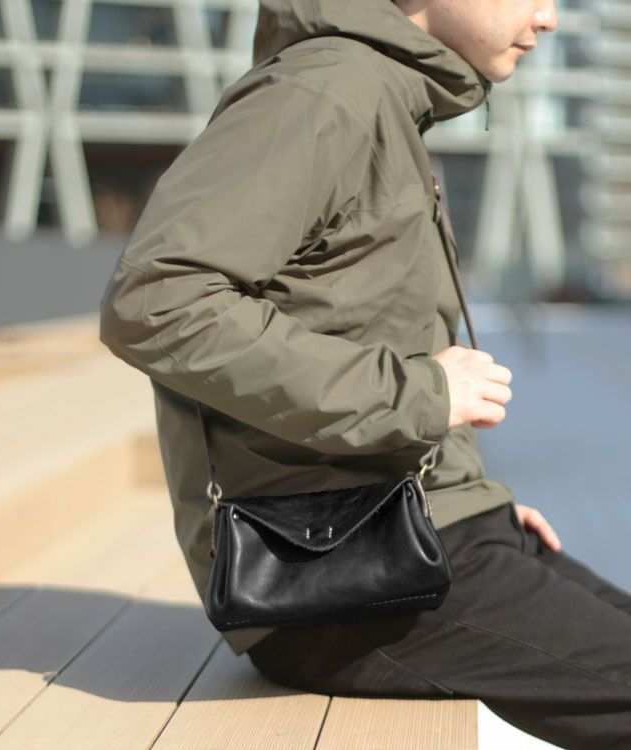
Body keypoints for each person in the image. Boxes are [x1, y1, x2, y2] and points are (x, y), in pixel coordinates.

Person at [99, 1, 631, 745]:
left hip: (406, 531)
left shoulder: (383, 95)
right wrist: (418, 394)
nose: (547, 17)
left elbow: (359, 320)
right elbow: (158, 300)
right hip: (329, 573)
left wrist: (475, 500)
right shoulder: (325, 92)